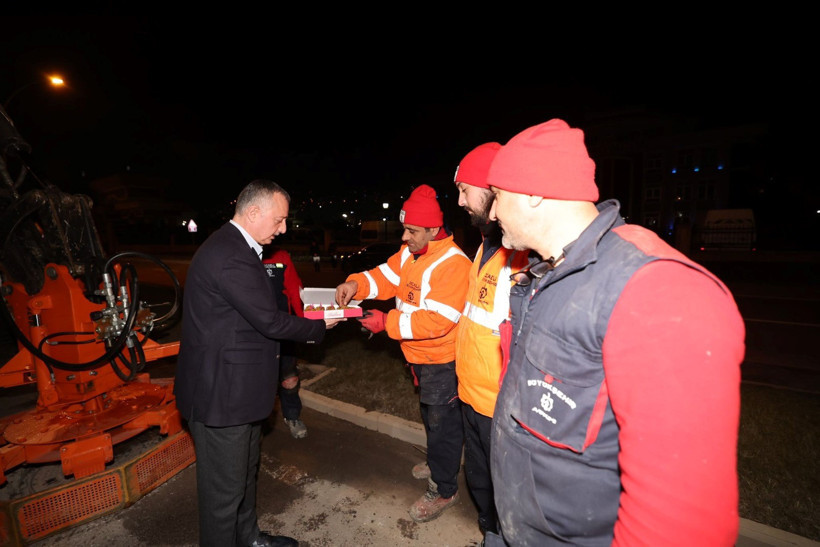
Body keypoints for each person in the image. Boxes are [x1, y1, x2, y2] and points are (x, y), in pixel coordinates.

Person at [484, 119, 746, 546]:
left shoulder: (657, 292)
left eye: (497, 196)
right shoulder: (545, 275)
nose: (492, 212)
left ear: (532, 193)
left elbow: (679, 528)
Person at [174, 179, 343, 547]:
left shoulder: (239, 248)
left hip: (240, 395)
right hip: (222, 398)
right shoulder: (230, 255)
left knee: (243, 479)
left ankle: (249, 539)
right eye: (279, 220)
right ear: (254, 213)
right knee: (223, 497)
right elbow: (268, 320)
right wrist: (319, 324)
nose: (284, 229)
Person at [334, 184, 472, 523]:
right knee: (430, 416)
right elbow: (385, 276)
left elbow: (438, 321)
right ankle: (439, 462)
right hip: (420, 358)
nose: (405, 235)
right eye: (405, 229)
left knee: (443, 425)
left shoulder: (453, 264)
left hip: (442, 360)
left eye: (411, 230)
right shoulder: (412, 252)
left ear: (430, 229)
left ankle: (444, 489)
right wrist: (356, 285)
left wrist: (387, 322)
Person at [451, 142, 530, 541]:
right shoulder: (486, 245)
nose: (461, 200)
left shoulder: (522, 255)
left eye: (466, 190)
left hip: (499, 406)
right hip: (471, 394)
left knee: (507, 490)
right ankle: (489, 533)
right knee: (480, 480)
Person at [262, 245, 309, 439]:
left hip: (283, 331)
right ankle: (257, 422)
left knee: (289, 379)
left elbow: (295, 291)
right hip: (253, 335)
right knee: (258, 381)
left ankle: (292, 416)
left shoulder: (281, 256)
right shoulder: (240, 253)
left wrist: (305, 325)